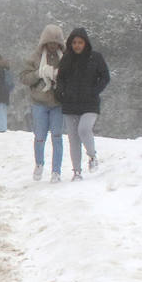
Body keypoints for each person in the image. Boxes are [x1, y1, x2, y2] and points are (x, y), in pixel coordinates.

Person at [55, 28, 110, 180]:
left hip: (90, 103)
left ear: (86, 43)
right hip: (70, 104)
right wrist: (60, 92)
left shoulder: (95, 57)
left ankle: (92, 156)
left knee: (84, 130)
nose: (77, 45)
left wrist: (95, 90)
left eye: (80, 42)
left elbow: (105, 76)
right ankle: (76, 172)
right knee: (73, 138)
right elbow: (60, 79)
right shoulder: (66, 59)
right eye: (74, 43)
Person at [19, 24, 66, 182]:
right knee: (40, 136)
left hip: (58, 102)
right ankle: (39, 163)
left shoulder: (65, 58)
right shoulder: (34, 57)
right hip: (39, 102)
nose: (53, 46)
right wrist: (39, 73)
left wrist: (60, 75)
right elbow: (23, 78)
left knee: (57, 137)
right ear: (44, 42)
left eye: (56, 43)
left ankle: (56, 171)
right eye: (50, 42)